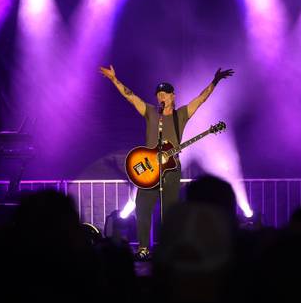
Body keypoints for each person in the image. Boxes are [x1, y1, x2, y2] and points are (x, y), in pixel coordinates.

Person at [99, 64, 234, 259]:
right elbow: (130, 96)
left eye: (166, 93)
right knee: (142, 207)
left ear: (173, 96)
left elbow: (201, 98)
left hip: (171, 170)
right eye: (159, 93)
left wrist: (215, 81)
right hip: (149, 169)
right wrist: (114, 79)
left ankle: (168, 248)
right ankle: (143, 249)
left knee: (169, 212)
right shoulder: (151, 112)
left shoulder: (181, 115)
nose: (161, 96)